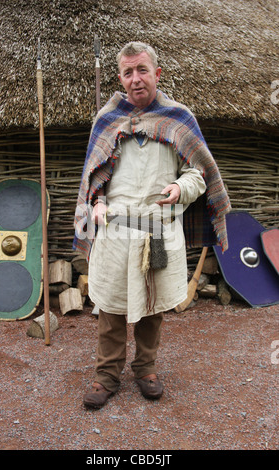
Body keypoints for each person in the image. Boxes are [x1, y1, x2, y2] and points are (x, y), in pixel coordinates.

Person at [73, 42, 231, 408]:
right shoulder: (107, 121)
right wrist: (95, 204)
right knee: (110, 308)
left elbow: (199, 173)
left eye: (142, 70)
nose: (136, 78)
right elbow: (94, 179)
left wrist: (180, 187)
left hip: (158, 231)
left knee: (153, 306)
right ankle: (107, 375)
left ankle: (145, 368)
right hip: (115, 231)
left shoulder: (177, 119)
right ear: (120, 78)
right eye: (128, 72)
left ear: (156, 73)